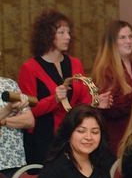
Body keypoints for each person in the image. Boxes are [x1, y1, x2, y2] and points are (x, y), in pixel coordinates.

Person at [18, 9, 109, 164]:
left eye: (68, 32)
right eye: (61, 32)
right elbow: (30, 110)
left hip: (73, 136)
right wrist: (54, 99)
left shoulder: (75, 63)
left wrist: (95, 103)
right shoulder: (30, 68)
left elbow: (82, 101)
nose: (68, 37)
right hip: (45, 140)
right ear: (47, 35)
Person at [90, 20, 132, 154]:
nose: (129, 41)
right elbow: (110, 109)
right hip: (118, 138)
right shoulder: (105, 70)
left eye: (130, 37)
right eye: (122, 37)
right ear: (112, 42)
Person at [0, 76, 34, 178]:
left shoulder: (10, 84)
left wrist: (3, 121)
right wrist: (8, 109)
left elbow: (29, 121)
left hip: (14, 162)